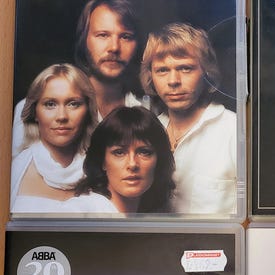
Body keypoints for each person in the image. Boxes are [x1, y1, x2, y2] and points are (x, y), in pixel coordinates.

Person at [12, 0, 144, 157]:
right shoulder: (37, 113)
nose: (114, 47)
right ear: (84, 40)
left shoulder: (147, 110)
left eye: (126, 37)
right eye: (103, 35)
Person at [141, 23, 237, 214]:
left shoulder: (234, 130)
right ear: (151, 76)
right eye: (162, 70)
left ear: (207, 73)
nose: (173, 81)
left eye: (185, 68)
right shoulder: (147, 131)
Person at [10, 63, 97, 213]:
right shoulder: (14, 170)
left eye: (73, 104)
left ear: (88, 110)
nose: (61, 116)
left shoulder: (105, 170)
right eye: (50, 104)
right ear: (35, 112)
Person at [64, 106, 174, 214]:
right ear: (102, 161)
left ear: (158, 160)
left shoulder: (158, 215)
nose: (132, 164)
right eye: (119, 152)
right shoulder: (78, 211)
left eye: (144, 152)